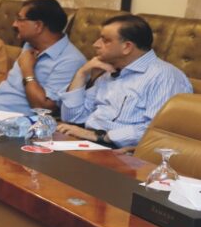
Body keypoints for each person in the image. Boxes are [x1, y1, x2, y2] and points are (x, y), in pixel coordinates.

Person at [57, 15, 192, 148]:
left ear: (127, 47)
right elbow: (73, 117)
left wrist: (101, 136)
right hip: (89, 140)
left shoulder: (164, 76)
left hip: (122, 149)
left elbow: (157, 132)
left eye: (105, 40)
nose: (96, 44)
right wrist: (82, 73)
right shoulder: (109, 71)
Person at [0, 0, 86, 115]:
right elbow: (9, 77)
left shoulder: (71, 60)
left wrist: (28, 71)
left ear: (38, 25)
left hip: (17, 123)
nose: (14, 24)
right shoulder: (30, 44)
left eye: (20, 19)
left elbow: (44, 108)